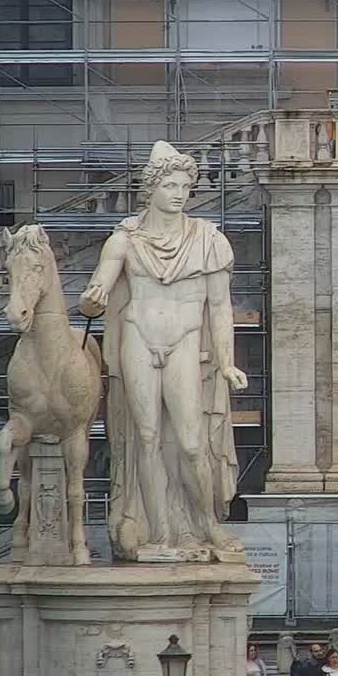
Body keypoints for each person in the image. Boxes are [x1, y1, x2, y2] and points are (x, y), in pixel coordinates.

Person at [80, 140, 248, 561]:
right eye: (170, 185)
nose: (178, 193)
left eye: (184, 187)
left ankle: (208, 523)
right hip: (138, 335)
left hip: (186, 342)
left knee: (192, 443)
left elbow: (220, 308)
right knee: (147, 438)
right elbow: (95, 290)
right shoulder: (125, 239)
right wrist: (93, 300)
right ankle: (160, 535)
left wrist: (227, 362)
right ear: (151, 188)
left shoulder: (208, 239)